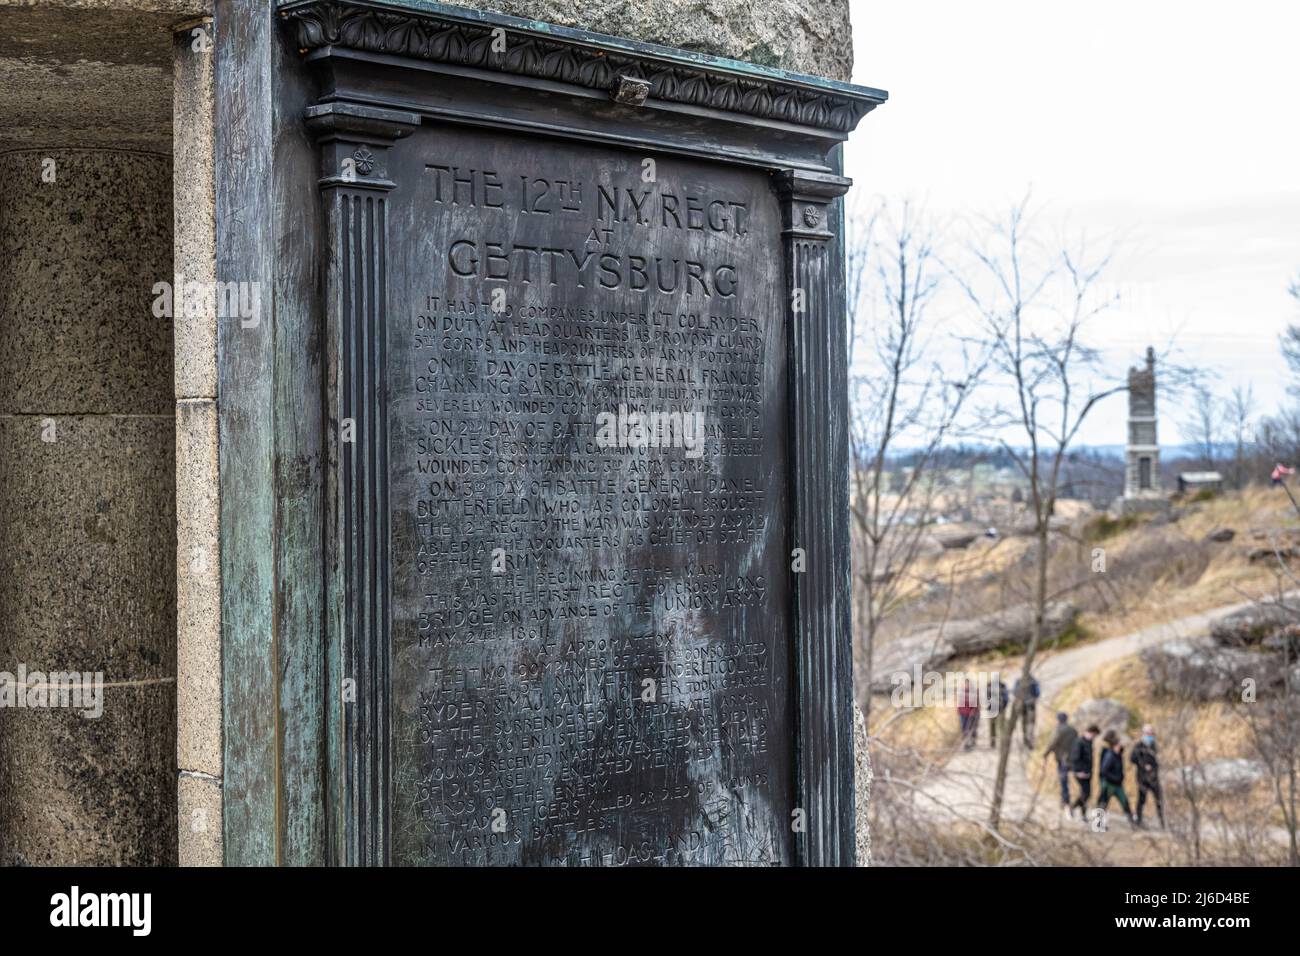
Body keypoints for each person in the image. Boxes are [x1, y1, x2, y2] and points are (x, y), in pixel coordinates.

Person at [1097, 730, 1136, 827]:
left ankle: (1132, 821)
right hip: (1109, 783)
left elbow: (1123, 749)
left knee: (1125, 802)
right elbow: (1104, 771)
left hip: (1118, 784)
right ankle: (1098, 824)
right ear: (1115, 745)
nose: (1121, 746)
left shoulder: (1118, 755)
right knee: (1103, 803)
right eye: (1119, 744)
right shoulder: (1109, 755)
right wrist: (1114, 778)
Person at [1043, 712, 1078, 817]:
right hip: (1072, 759)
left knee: (1064, 781)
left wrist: (1045, 754)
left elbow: (1052, 743)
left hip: (1062, 759)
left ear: (1058, 720)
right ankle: (1065, 800)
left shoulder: (1059, 729)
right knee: (1068, 780)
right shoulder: (1073, 730)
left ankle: (1066, 802)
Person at [1130, 724, 1165, 829]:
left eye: (1151, 733)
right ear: (1143, 734)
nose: (1150, 735)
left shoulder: (1154, 745)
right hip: (1142, 778)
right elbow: (1132, 759)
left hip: (1154, 778)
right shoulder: (1138, 746)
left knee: (1159, 799)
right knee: (1141, 800)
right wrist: (1143, 765)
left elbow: (1158, 760)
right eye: (1148, 733)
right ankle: (1138, 820)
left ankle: (1163, 821)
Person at [1068, 724, 1099, 819]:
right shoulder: (1079, 742)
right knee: (1085, 793)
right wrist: (1079, 771)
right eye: (1094, 735)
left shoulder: (1089, 742)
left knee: (1086, 793)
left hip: (1088, 772)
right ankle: (1072, 808)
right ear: (1091, 733)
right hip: (1080, 772)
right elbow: (1074, 758)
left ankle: (1082, 813)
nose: (1094, 737)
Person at [1013, 674, 1041, 747]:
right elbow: (1038, 693)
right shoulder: (1033, 681)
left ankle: (1025, 739)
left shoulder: (1019, 681)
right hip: (1031, 704)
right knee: (1031, 723)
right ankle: (1029, 739)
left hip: (1022, 704)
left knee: (1024, 722)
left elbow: (1015, 692)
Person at [956, 677, 979, 750]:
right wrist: (958, 710)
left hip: (971, 714)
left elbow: (976, 702)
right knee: (964, 728)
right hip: (963, 713)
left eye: (967, 683)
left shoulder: (974, 691)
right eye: (965, 683)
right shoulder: (962, 692)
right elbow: (959, 702)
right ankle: (966, 743)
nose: (966, 685)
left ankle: (971, 741)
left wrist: (973, 711)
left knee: (971, 728)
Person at [988, 675, 1010, 749]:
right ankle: (993, 742)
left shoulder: (1002, 686)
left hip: (1000, 709)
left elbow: (1006, 697)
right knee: (993, 726)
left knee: (1000, 726)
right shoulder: (989, 685)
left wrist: (1004, 707)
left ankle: (1000, 742)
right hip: (992, 709)